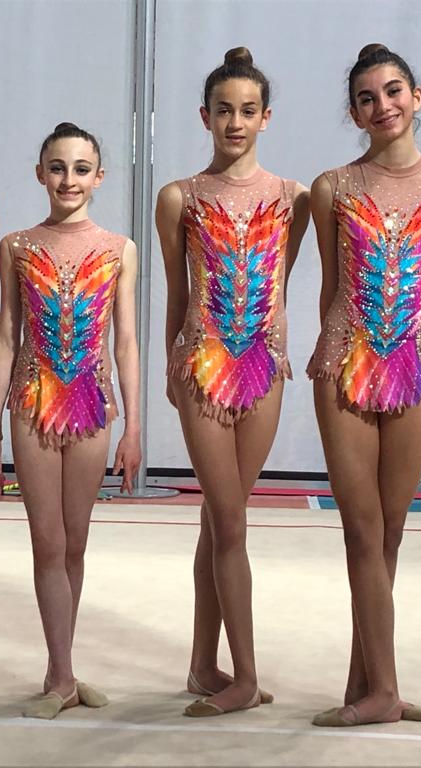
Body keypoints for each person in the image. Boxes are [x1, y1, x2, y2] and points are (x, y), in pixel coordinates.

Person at [307, 43, 421, 727]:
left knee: (392, 533)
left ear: (417, 97)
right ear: (355, 113)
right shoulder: (333, 188)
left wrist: (417, 348)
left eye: (394, 90)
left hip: (414, 363)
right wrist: (339, 350)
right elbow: (329, 288)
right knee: (361, 528)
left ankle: (367, 683)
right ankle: (385, 692)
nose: (383, 106)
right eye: (368, 98)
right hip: (345, 362)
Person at [157, 47, 310, 717]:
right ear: (205, 116)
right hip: (202, 366)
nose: (236, 123)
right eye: (224, 111)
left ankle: (202, 664)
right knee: (229, 522)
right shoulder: (180, 198)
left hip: (263, 366)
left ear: (266, 117)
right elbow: (176, 291)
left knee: (220, 520)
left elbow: (280, 282)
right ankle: (245, 677)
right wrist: (172, 363)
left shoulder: (294, 199)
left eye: (248, 111)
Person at [0, 122, 141, 719]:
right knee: (47, 542)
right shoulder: (17, 246)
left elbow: (125, 341)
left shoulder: (118, 248)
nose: (68, 179)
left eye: (80, 169)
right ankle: (63, 676)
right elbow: (6, 336)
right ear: (40, 174)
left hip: (93, 405)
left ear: (98, 177)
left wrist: (134, 425)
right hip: (33, 402)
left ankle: (61, 670)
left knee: (76, 543)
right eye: (57, 167)